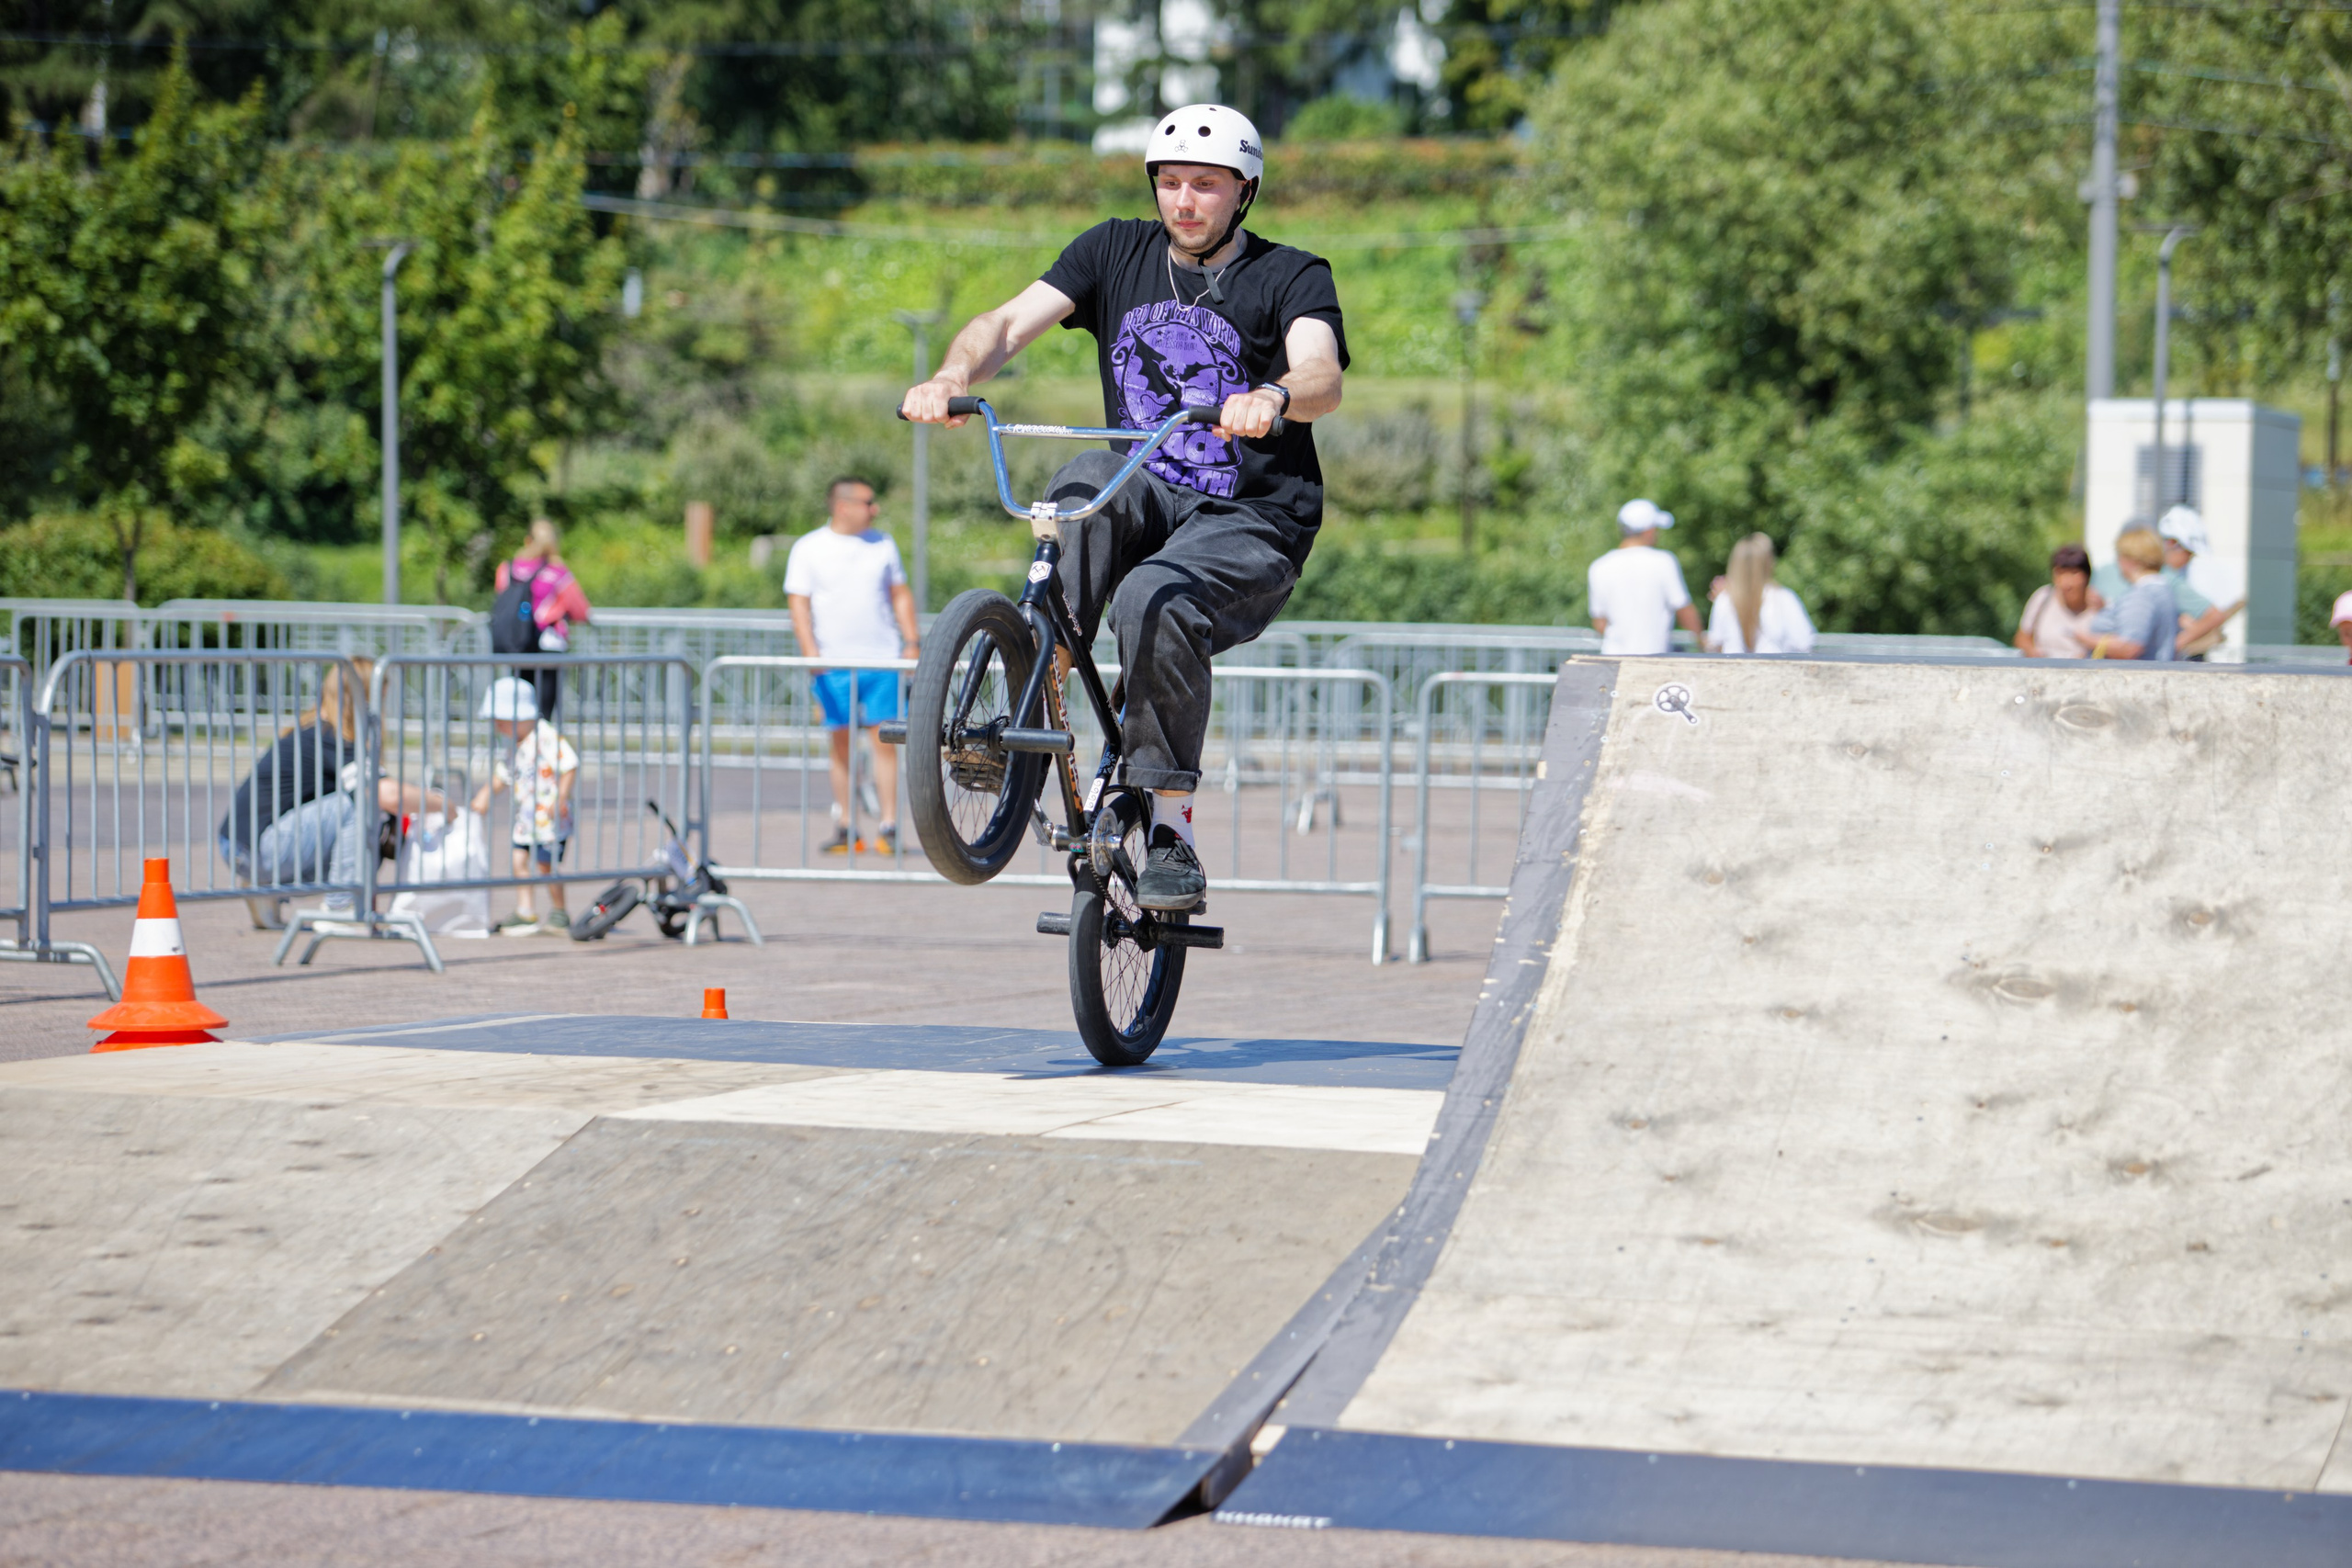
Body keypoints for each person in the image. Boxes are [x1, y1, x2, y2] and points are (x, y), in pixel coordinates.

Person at [899, 103, 1346, 912]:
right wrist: (953, 375)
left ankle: (1169, 822)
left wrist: (1275, 393)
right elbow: (1003, 324)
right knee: (1081, 478)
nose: (1184, 201)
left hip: (1251, 517)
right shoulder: (1113, 249)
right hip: (1146, 485)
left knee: (1154, 598)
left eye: (1205, 186)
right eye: (1170, 182)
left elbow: (1322, 372)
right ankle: (1031, 695)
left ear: (1242, 193)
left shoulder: (1293, 274)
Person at [785, 476, 922, 854]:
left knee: (885, 743)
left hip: (883, 660)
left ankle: (889, 824)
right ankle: (846, 823)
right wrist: (811, 654)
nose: (874, 509)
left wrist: (912, 641)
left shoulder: (883, 543)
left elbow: (899, 594)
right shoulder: (809, 547)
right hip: (833, 663)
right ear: (843, 506)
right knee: (840, 744)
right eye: (867, 502)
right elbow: (799, 604)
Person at [468, 676, 578, 935]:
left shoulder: (546, 736)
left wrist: (561, 797)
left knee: (545, 865)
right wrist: (485, 795)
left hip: (549, 820)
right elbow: (503, 774)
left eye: (501, 721)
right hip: (527, 820)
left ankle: (560, 911)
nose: (498, 727)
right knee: (519, 859)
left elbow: (569, 764)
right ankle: (526, 910)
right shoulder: (515, 745)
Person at [492, 519, 593, 723]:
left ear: (527, 540)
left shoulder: (507, 569)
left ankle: (519, 749)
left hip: (516, 644)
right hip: (548, 644)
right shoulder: (557, 572)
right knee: (543, 711)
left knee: (519, 708)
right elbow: (582, 611)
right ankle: (538, 749)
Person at [1589, 499, 1704, 656]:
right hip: (1653, 658)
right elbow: (1685, 611)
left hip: (1613, 660)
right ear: (1648, 530)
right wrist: (1702, 642)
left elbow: (1599, 622)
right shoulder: (1664, 561)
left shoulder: (1599, 567)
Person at [1707, 532, 1815, 656]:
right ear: (1768, 562)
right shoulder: (1783, 598)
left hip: (1734, 673)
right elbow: (1804, 643)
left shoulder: (1724, 599)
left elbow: (1716, 645)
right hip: (1776, 671)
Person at [2154, 505, 2238, 655]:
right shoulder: (2167, 578)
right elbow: (2215, 615)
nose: (2189, 559)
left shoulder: (2168, 577)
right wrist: (2175, 644)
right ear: (2172, 544)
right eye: (2188, 553)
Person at [2086, 527, 2179, 661]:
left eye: (2119, 556)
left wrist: (2082, 637)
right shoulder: (2162, 590)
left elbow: (2130, 647)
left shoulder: (2142, 595)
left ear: (2130, 559)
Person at [2015, 543, 2102, 658]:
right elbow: (2022, 637)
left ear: (2087, 576)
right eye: (2060, 573)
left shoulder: (2100, 607)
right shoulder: (2043, 597)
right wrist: (2035, 654)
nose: (2066, 583)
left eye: (2074, 573)